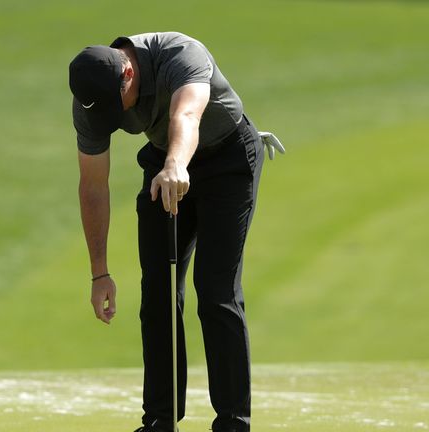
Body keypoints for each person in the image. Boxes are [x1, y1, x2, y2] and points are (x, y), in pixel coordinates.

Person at [69, 32, 282, 432]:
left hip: (227, 159)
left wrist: (176, 164)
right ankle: (160, 421)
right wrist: (100, 273)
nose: (112, 120)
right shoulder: (92, 98)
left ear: (128, 72)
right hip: (162, 163)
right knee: (159, 293)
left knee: (216, 290)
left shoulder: (181, 54)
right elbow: (93, 186)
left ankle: (233, 423)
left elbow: (186, 116)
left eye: (118, 107)